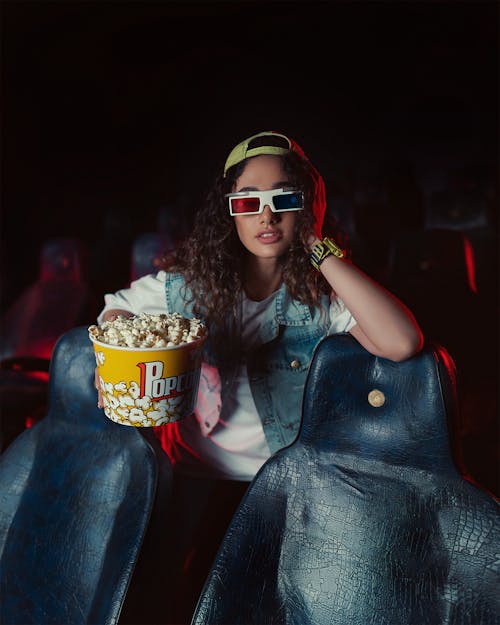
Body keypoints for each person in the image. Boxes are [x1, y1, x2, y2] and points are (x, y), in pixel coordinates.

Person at [96, 130, 423, 623]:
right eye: (249, 202)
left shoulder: (322, 299)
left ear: (308, 208)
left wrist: (318, 245)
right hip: (195, 475)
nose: (266, 216)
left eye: (284, 200)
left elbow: (402, 342)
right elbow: (114, 311)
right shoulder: (187, 288)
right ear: (230, 211)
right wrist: (125, 347)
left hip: (285, 482)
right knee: (176, 600)